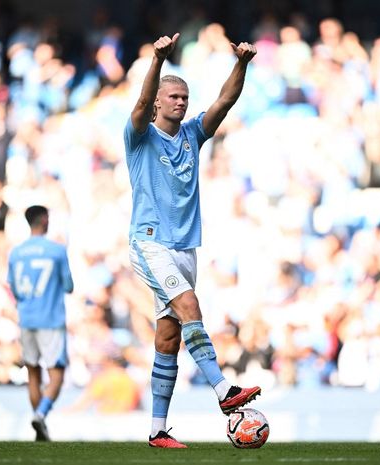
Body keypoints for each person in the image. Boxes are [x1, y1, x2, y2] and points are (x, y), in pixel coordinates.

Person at [124, 32, 260, 449]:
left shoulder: (192, 135)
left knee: (168, 337)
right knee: (189, 306)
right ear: (160, 102)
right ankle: (223, 390)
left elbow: (224, 102)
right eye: (174, 97)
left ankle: (156, 429)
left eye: (184, 97)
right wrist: (157, 61)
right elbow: (141, 105)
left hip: (185, 248)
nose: (180, 102)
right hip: (150, 242)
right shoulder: (140, 136)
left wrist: (242, 65)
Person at [7, 205, 74, 442]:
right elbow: (68, 286)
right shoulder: (56, 250)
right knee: (56, 374)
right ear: (45, 220)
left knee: (33, 373)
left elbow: (14, 289)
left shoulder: (16, 253)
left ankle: (40, 427)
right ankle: (41, 415)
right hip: (51, 320)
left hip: (26, 319)